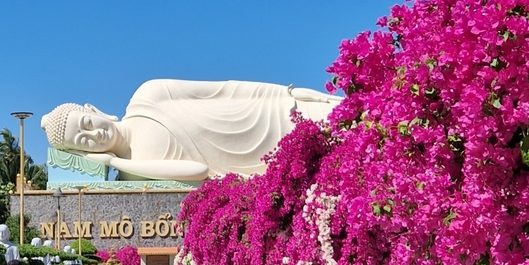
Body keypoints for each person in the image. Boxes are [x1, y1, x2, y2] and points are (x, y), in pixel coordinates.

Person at [41, 79, 341, 180]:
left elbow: (225, 90)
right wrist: (115, 162)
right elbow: (197, 170)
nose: (95, 135)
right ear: (85, 153)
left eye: (88, 124)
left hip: (265, 114)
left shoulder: (148, 94)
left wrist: (286, 93)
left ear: (94, 111)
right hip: (260, 161)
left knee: (348, 119)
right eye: (85, 142)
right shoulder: (134, 169)